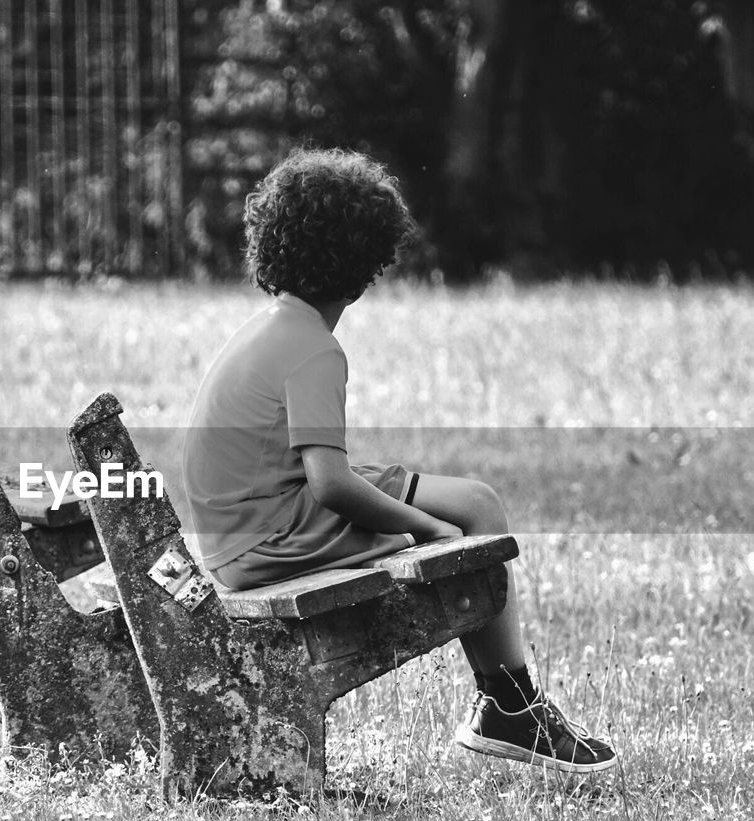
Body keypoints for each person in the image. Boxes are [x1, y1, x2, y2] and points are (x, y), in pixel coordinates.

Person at [180, 147, 616, 774]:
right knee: (465, 520)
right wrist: (426, 530)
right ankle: (513, 710)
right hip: (273, 542)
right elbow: (329, 483)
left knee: (477, 503)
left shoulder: (275, 329)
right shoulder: (313, 350)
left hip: (250, 530)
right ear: (367, 263)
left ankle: (509, 705)